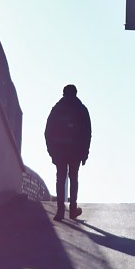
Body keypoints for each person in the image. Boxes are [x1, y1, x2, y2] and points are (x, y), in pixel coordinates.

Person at [44, 84, 92, 221]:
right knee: (74, 179)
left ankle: (60, 211)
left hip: (60, 151)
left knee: (60, 179)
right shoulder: (81, 109)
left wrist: (52, 152)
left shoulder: (57, 109)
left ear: (63, 93)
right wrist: (85, 153)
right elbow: (87, 133)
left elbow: (48, 132)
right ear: (75, 93)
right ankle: (72, 210)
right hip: (75, 151)